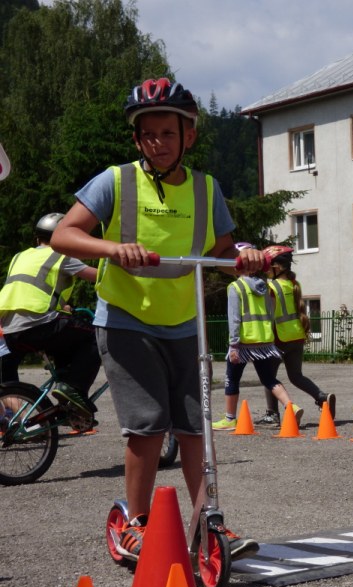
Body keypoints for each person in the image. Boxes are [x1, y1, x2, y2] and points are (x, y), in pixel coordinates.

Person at [50, 78, 261, 560]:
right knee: (147, 426)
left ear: (189, 136)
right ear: (136, 139)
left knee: (195, 427)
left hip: (184, 322)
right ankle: (136, 524)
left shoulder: (207, 189)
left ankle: (208, 522)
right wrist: (112, 249)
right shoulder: (116, 181)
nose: (158, 143)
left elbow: (223, 251)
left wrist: (245, 257)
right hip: (126, 320)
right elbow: (64, 234)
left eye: (168, 133)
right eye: (148, 135)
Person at [0, 212, 100, 417]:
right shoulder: (61, 255)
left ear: (38, 238)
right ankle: (75, 389)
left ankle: (67, 400)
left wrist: (61, 307)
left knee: (68, 337)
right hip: (39, 323)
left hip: (10, 330)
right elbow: (98, 277)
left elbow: (33, 290)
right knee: (96, 337)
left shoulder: (19, 256)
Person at [212, 244, 302, 431]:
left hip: (243, 342)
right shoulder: (265, 287)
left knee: (232, 378)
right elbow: (271, 313)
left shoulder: (235, 287)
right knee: (268, 378)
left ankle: (230, 419)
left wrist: (233, 345)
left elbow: (234, 318)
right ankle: (291, 407)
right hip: (264, 342)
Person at [263, 248, 335, 424]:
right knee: (296, 376)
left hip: (279, 337)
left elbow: (269, 314)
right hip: (297, 335)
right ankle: (322, 398)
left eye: (268, 266)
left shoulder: (271, 287)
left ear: (278, 267)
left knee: (268, 377)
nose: (266, 270)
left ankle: (272, 414)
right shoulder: (294, 284)